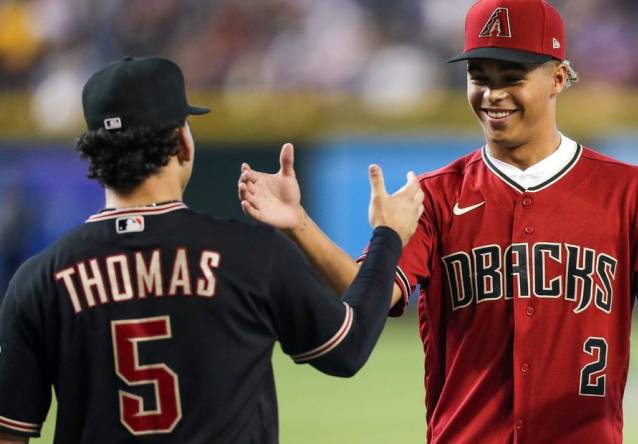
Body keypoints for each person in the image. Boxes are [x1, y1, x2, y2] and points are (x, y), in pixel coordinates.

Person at [237, 0, 638, 443]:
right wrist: (297, 223)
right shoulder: (434, 194)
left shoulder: (627, 191)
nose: (493, 94)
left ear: (558, 77)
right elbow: (368, 293)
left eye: (511, 76)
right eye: (481, 76)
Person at [0, 56, 424, 444]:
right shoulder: (250, 254)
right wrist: (387, 236)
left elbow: (9, 433)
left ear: (94, 154)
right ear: (182, 143)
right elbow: (347, 349)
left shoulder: (38, 280)